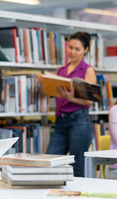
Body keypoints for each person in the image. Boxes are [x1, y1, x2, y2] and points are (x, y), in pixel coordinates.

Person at [41, 31, 96, 177]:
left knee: (77, 166)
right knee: (49, 162)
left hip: (79, 121)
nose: (72, 52)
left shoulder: (87, 70)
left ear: (85, 50)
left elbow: (89, 100)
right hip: (61, 120)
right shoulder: (61, 70)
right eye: (70, 47)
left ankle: (78, 197)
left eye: (77, 49)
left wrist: (71, 98)